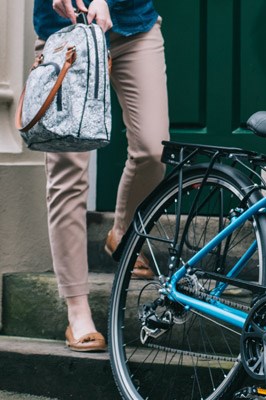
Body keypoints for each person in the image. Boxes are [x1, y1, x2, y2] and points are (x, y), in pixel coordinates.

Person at [33, 0, 170, 351]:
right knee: (68, 170)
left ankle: (122, 233)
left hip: (132, 28)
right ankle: (77, 311)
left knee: (154, 148)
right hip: (64, 33)